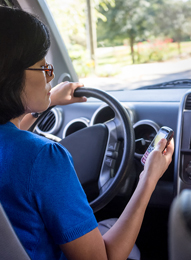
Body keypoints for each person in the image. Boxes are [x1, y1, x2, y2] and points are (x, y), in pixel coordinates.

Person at [0, 6, 174, 260]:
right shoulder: (45, 157)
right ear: (10, 74)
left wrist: (48, 102)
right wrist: (149, 178)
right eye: (44, 68)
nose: (51, 78)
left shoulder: (18, 149)